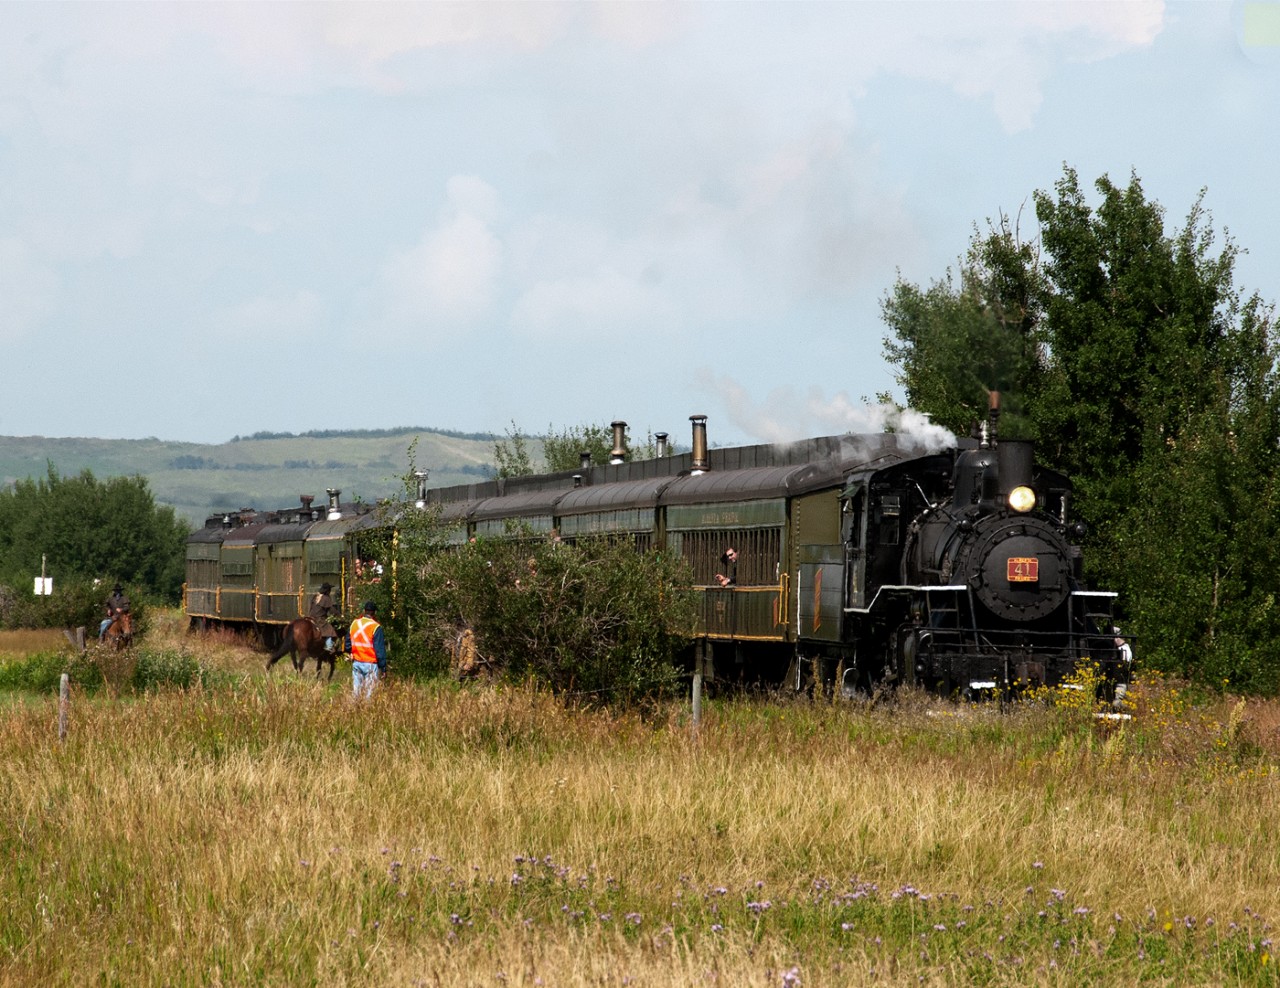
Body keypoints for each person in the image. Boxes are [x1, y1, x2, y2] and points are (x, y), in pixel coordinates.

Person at [346, 601, 387, 699]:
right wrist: (383, 667)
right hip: (370, 664)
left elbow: (348, 642)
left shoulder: (354, 623)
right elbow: (379, 650)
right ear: (374, 613)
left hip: (357, 662)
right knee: (369, 695)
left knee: (356, 692)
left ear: (364, 611)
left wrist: (350, 653)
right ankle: (366, 712)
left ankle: (354, 711)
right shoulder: (376, 627)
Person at [309, 582, 338, 653]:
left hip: (310, 617)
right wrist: (339, 615)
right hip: (319, 618)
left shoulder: (315, 596)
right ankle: (329, 647)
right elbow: (332, 610)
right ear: (327, 590)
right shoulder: (326, 598)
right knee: (330, 630)